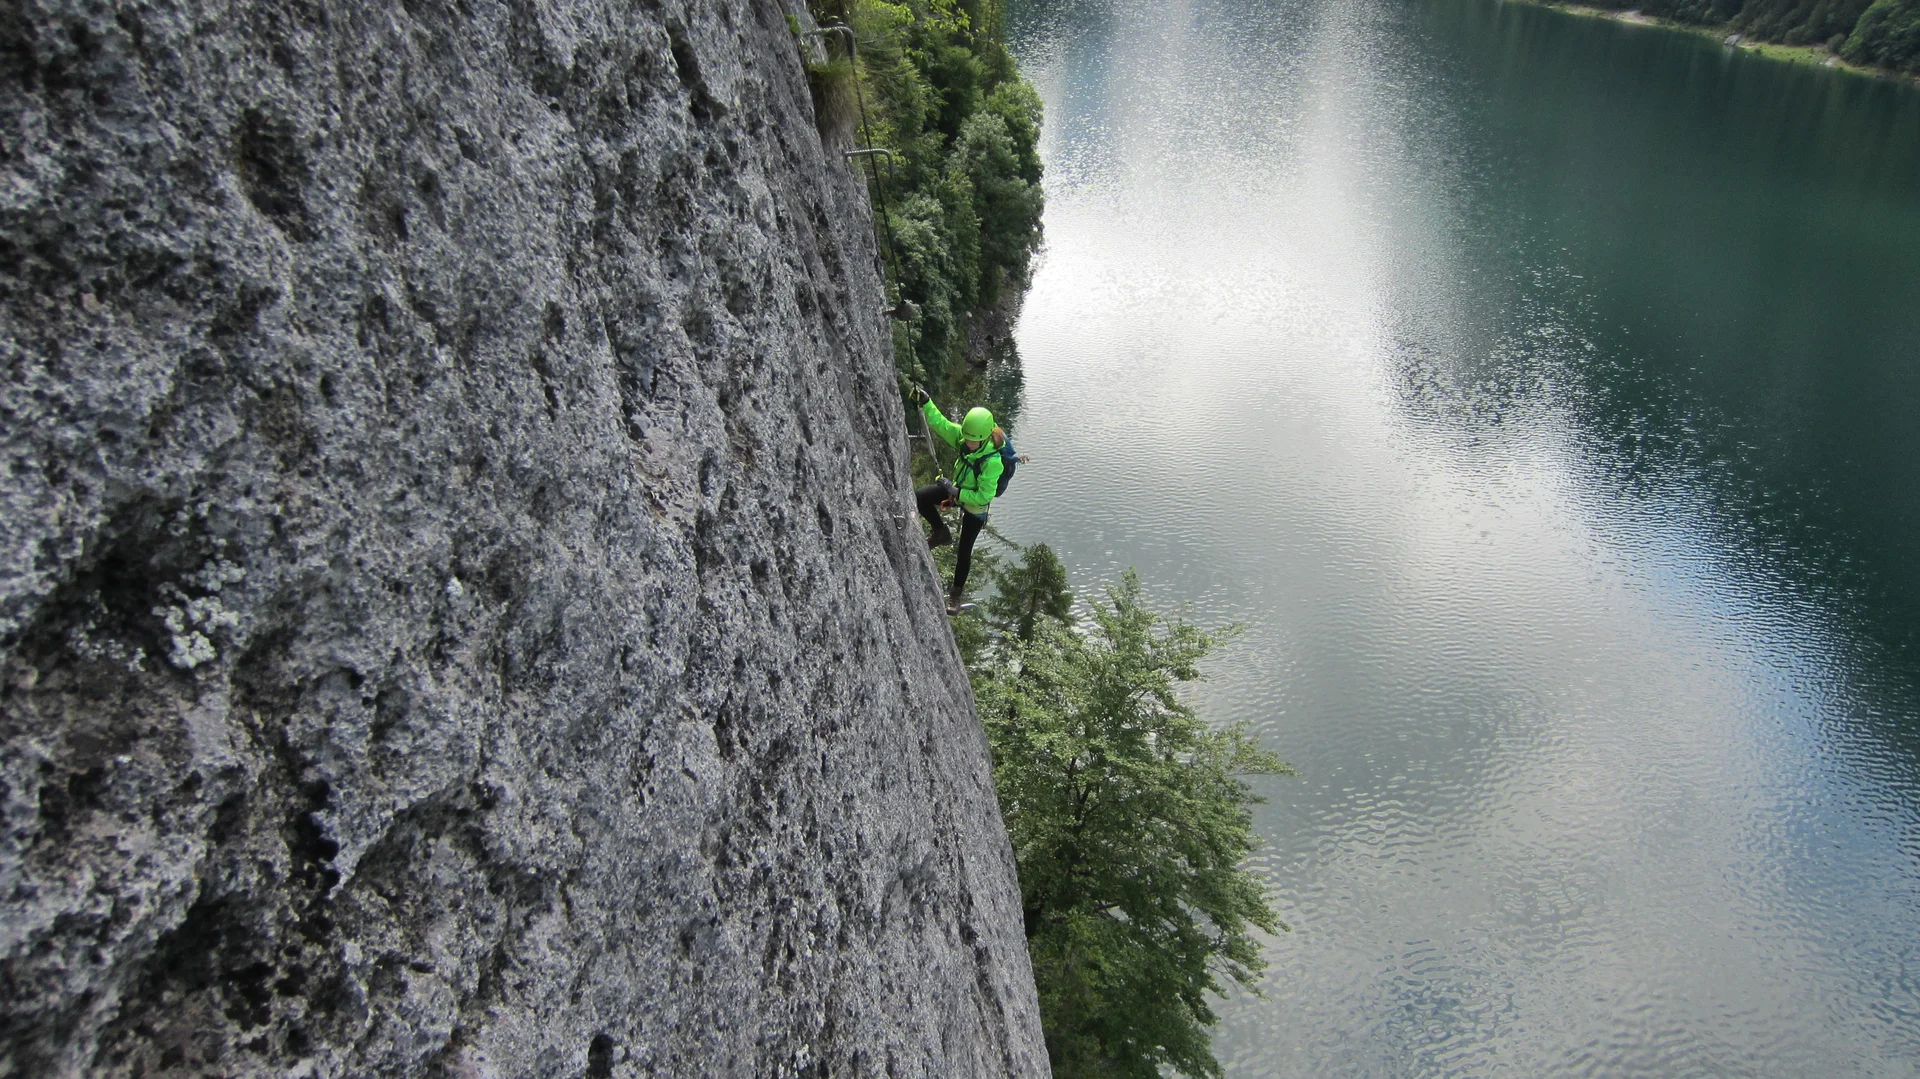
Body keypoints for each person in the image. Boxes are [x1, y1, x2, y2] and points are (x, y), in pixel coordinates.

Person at [914, 390, 1004, 614]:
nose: (969, 443)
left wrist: (955, 491)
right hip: (957, 492)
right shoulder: (965, 439)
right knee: (919, 497)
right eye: (967, 438)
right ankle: (940, 532)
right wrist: (927, 403)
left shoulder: (993, 462)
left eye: (974, 440)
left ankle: (955, 595)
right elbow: (942, 425)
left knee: (964, 551)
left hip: (975, 507)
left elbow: (984, 496)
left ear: (985, 437)